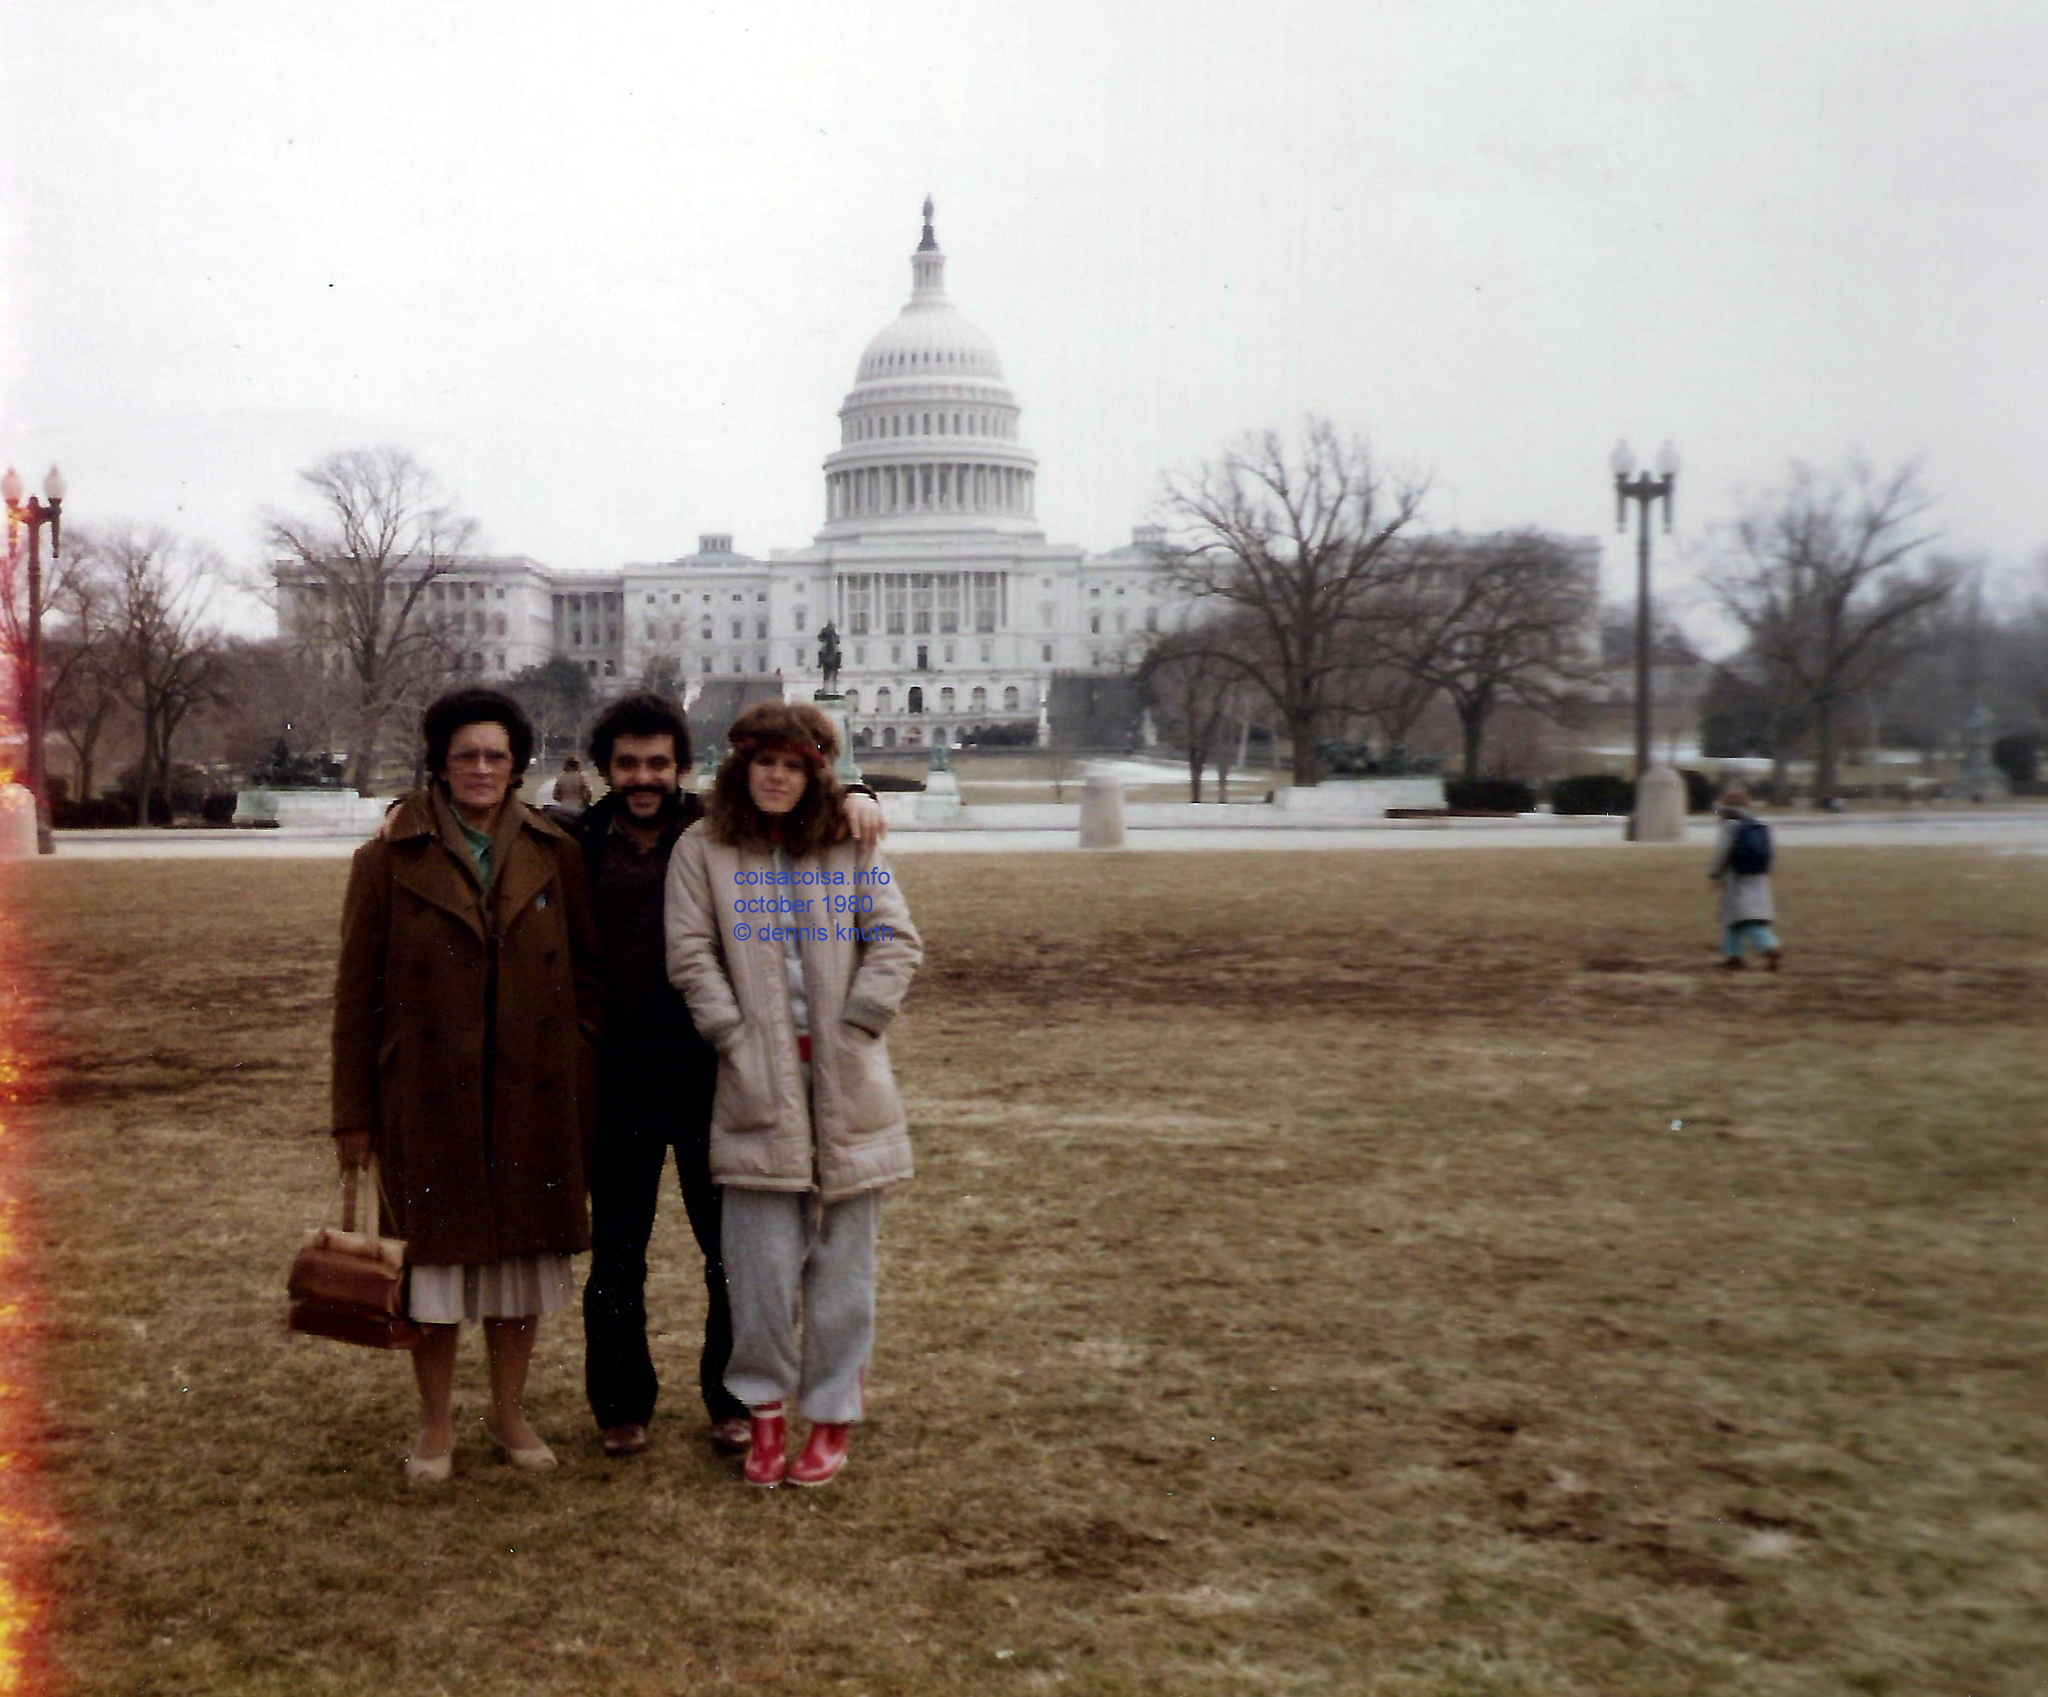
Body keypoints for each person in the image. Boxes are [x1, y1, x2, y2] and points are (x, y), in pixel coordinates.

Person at [571, 694, 891, 1461]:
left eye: (657, 762)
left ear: (683, 767)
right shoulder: (578, 838)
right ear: (605, 769)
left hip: (715, 1073)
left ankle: (734, 1402)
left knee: (736, 1253)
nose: (642, 776)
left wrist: (855, 793)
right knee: (618, 1249)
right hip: (623, 1073)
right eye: (626, 763)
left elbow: (800, 789)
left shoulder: (713, 826)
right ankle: (621, 1405)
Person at [331, 687, 599, 1483]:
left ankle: (510, 1412)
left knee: (521, 1259)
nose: (481, 768)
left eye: (495, 754)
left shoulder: (557, 849)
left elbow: (587, 976)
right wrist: (353, 1112)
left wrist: (577, 1060)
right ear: (440, 764)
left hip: (532, 1088)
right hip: (428, 1091)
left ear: (517, 764)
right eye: (465, 755)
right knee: (435, 1264)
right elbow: (356, 995)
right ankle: (437, 1420)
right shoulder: (386, 857)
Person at [665, 700, 921, 1488]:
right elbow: (690, 953)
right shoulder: (703, 847)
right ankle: (766, 1414)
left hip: (845, 1078)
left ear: (816, 772)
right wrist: (733, 1034)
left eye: (793, 763)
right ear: (740, 765)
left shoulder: (849, 839)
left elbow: (896, 939)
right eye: (763, 761)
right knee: (762, 1264)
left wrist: (858, 1024)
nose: (776, 776)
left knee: (844, 1263)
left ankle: (834, 1411)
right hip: (753, 1079)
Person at [1708, 785, 1781, 971]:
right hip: (1758, 877)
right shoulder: (1759, 824)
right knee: (1736, 920)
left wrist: (1714, 873)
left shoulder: (1729, 826)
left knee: (1746, 919)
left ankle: (1769, 946)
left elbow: (1722, 853)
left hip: (1737, 878)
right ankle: (1733, 956)